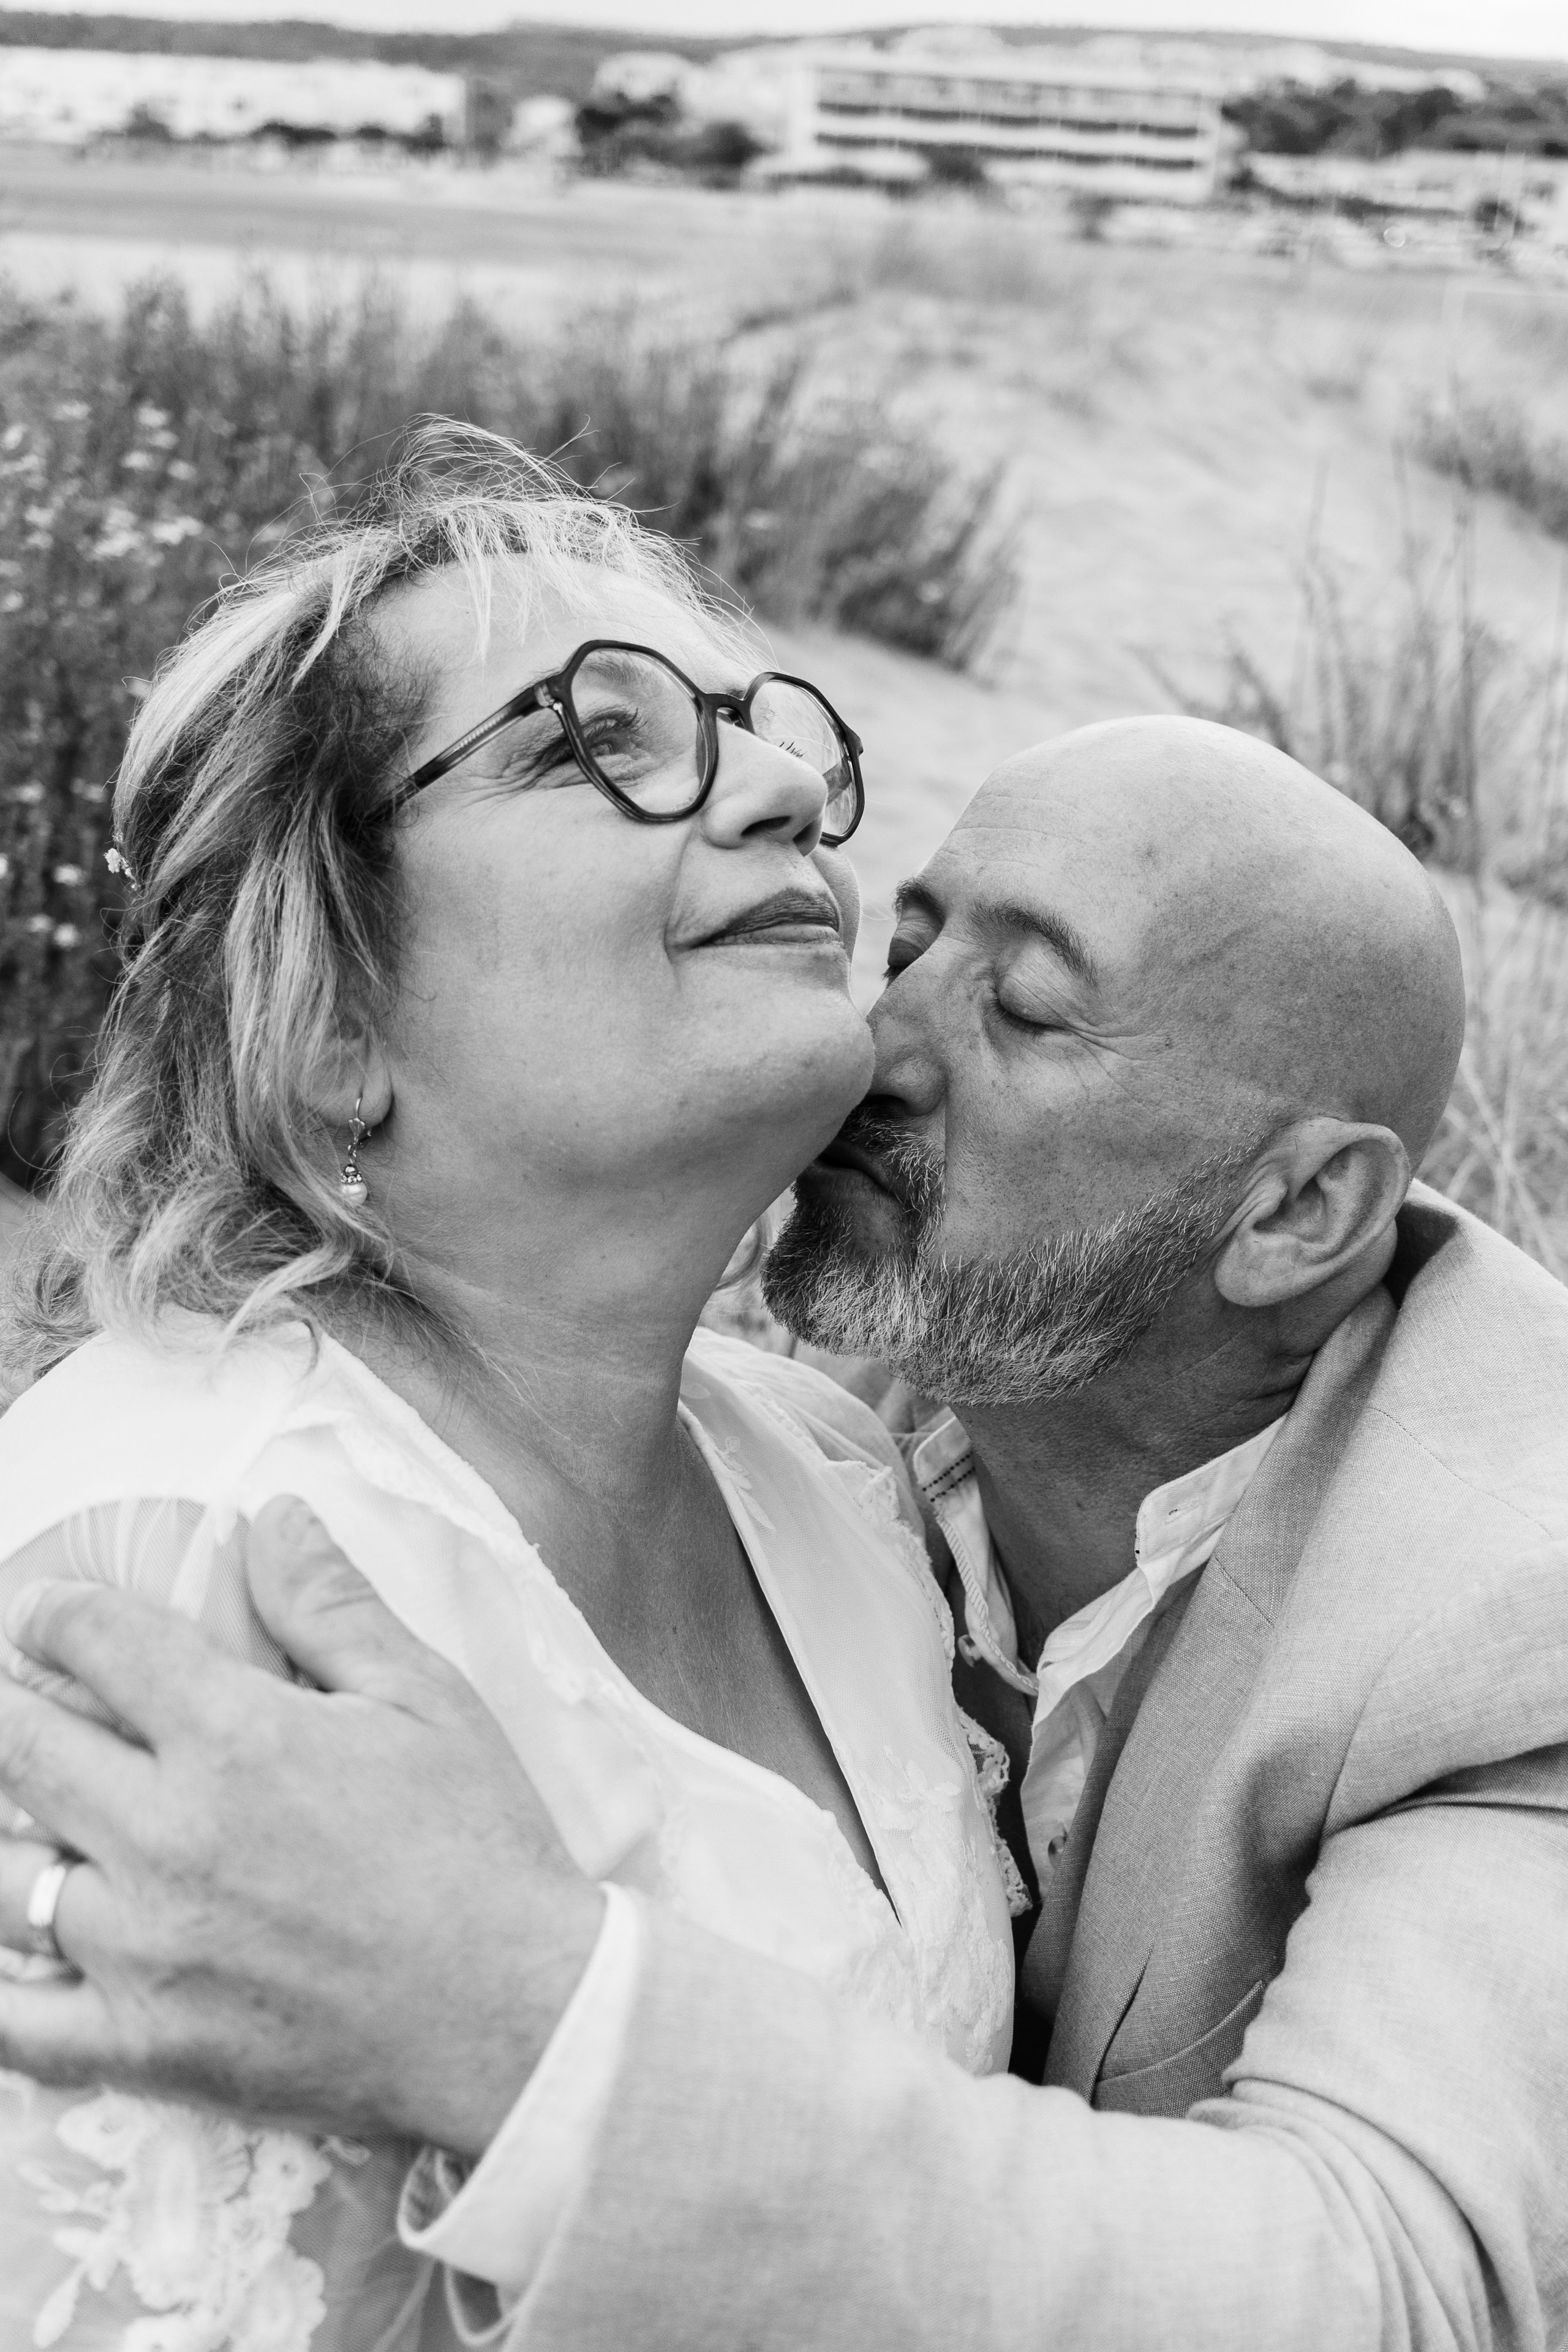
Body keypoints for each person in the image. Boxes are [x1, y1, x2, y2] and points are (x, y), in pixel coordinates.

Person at [1, 725, 1566, 2350]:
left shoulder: (1512, 1609)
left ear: (1296, 1214)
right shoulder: (817, 1398)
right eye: (908, 941)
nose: (873, 1051)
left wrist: (522, 2010)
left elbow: (1386, 2292)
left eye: (1020, 1012)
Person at [0, 427, 1025, 2350]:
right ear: (325, 1025)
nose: (796, 788)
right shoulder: (169, 1590)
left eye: (772, 731)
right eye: (592, 741)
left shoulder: (825, 1470)